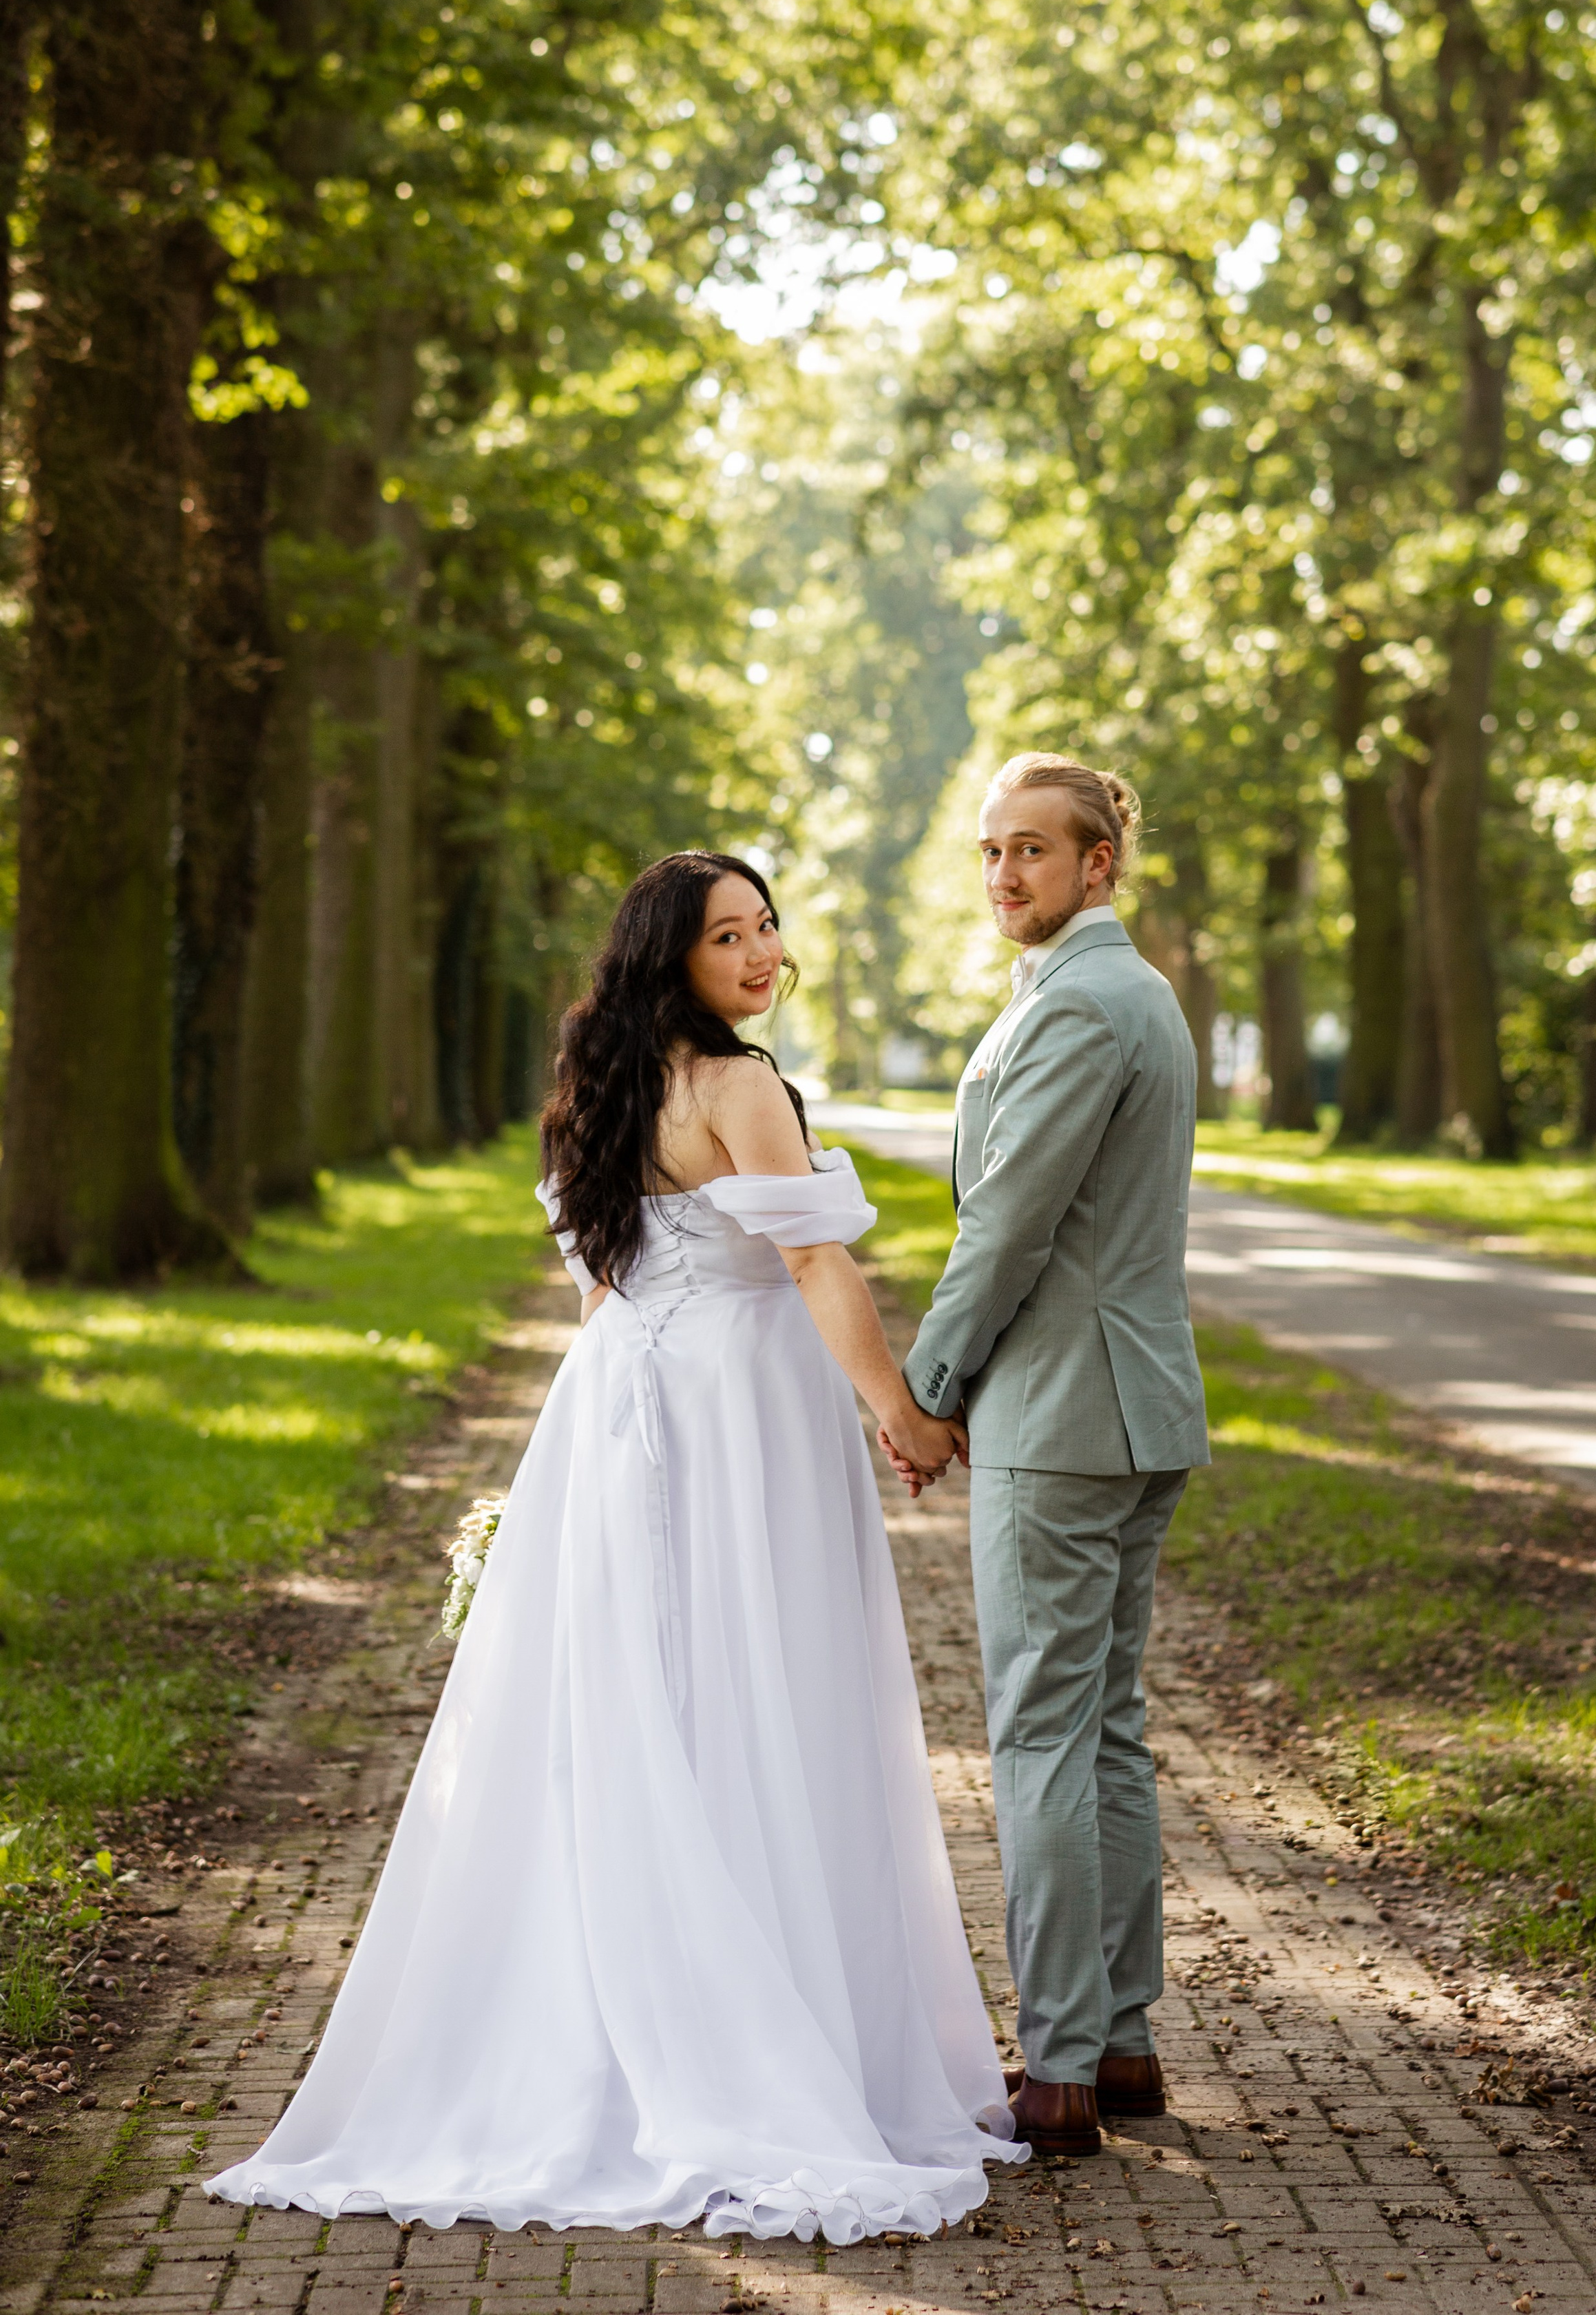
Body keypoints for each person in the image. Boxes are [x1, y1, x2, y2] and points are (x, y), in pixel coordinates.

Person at [206, 850, 1022, 2243]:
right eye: (727, 935)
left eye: (767, 927)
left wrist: (557, 1484)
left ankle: (623, 2008)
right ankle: (754, 2033)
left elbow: (600, 1294)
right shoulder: (739, 1088)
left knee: (647, 1699)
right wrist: (903, 1412)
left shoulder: (592, 1089)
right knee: (761, 1689)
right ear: (671, 957)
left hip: (615, 1410)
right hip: (734, 1412)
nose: (761, 954)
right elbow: (814, 1265)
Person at [885, 754, 1208, 2159]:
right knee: (1105, 1728)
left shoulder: (1083, 1001)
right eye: (989, 851)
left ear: (1097, 864)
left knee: (1038, 1733)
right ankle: (1121, 2044)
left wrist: (924, 1387)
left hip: (1064, 1417)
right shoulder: (1111, 991)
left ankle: (1061, 2065)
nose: (1004, 873)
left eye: (1032, 849)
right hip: (1128, 1409)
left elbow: (1008, 1225)